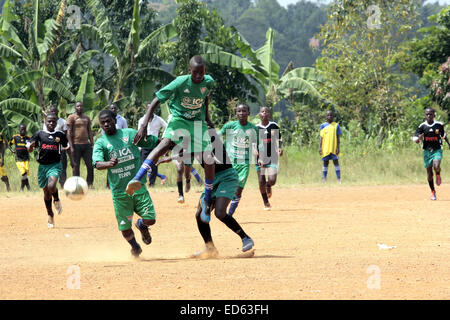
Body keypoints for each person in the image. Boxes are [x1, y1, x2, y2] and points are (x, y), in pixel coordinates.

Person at [128, 55, 216, 223]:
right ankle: (137, 179)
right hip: (179, 119)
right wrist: (144, 124)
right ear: (189, 71)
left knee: (209, 159)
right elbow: (156, 100)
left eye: (201, 73)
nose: (198, 76)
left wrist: (208, 118)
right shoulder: (180, 83)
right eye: (195, 73)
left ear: (205, 71)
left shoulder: (208, 82)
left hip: (197, 122)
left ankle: (207, 199)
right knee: (165, 145)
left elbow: (205, 99)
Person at [157, 131, 254, 257]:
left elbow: (194, 151)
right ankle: (210, 248)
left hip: (227, 176)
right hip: (212, 179)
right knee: (199, 215)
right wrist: (187, 181)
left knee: (220, 212)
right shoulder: (187, 145)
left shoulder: (205, 134)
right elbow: (187, 164)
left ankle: (245, 238)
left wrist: (170, 157)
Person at [93, 109, 159, 258]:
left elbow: (152, 141)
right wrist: (108, 163)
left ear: (115, 120)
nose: (106, 124)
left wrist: (168, 142)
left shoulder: (129, 134)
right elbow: (96, 163)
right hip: (119, 192)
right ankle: (135, 247)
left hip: (138, 186)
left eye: (108, 121)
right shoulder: (101, 142)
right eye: (102, 123)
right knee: (124, 228)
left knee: (151, 219)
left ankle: (142, 225)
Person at [218, 103, 259, 216]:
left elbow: (256, 143)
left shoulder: (253, 128)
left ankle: (230, 214)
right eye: (239, 111)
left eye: (244, 111)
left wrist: (256, 153)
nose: (241, 113)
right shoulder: (230, 126)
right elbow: (218, 135)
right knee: (224, 186)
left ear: (248, 113)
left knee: (238, 190)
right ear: (236, 113)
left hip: (244, 163)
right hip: (229, 162)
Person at [27, 113, 67, 228]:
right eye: (49, 121)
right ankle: (50, 213)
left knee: (52, 185)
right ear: (45, 122)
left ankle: (57, 200)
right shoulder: (39, 134)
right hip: (42, 167)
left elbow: (67, 145)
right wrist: (30, 147)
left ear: (56, 123)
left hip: (55, 165)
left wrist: (62, 147)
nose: (51, 123)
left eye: (53, 122)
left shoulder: (60, 134)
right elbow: (30, 148)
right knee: (46, 192)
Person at [413, 107, 450, 200]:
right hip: (426, 152)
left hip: (437, 150)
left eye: (431, 114)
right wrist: (419, 138)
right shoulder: (422, 126)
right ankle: (433, 192)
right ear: (425, 115)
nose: (429, 116)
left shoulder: (439, 125)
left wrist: (449, 144)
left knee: (436, 165)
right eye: (427, 114)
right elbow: (415, 139)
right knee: (429, 174)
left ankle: (438, 173)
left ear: (434, 115)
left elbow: (444, 135)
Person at [256, 106, 283, 210]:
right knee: (261, 180)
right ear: (259, 115)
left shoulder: (274, 126)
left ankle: (268, 185)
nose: (264, 113)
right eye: (262, 112)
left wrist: (280, 148)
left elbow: (280, 139)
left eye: (266, 112)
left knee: (272, 180)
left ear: (269, 115)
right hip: (260, 158)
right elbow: (253, 144)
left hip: (272, 156)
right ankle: (266, 202)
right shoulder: (256, 128)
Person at [67, 101, 95, 188]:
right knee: (76, 166)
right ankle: (77, 185)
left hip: (86, 145)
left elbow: (89, 131)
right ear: (75, 108)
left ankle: (89, 184)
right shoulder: (71, 117)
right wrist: (71, 147)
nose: (80, 108)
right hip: (76, 144)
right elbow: (69, 132)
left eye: (81, 106)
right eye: (78, 106)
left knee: (90, 165)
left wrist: (92, 143)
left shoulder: (86, 117)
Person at [138, 112, 168, 186]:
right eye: (148, 109)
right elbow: (139, 132)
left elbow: (167, 127)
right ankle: (142, 183)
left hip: (154, 145)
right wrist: (139, 146)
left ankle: (152, 183)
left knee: (154, 165)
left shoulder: (158, 119)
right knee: (143, 164)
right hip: (144, 145)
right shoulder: (142, 120)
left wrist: (163, 138)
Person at [103, 103, 128, 189]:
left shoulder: (122, 119)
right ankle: (108, 185)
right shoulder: (106, 120)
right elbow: (103, 133)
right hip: (110, 144)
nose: (113, 110)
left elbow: (126, 132)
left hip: (120, 144)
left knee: (122, 165)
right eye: (111, 108)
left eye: (114, 108)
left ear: (117, 109)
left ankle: (122, 184)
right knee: (111, 164)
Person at [44, 105, 69, 188]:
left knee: (62, 167)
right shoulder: (46, 122)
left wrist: (65, 145)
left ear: (58, 112)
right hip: (50, 149)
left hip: (60, 149)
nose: (53, 113)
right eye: (52, 111)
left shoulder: (63, 122)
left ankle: (62, 185)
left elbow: (65, 135)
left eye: (55, 111)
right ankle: (50, 185)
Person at [319, 110, 342, 183]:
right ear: (325, 117)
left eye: (331, 115)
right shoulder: (323, 126)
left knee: (336, 162)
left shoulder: (336, 125)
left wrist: (338, 147)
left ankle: (338, 178)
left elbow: (338, 138)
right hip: (325, 148)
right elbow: (321, 137)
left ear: (333, 117)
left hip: (333, 148)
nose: (329, 117)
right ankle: (324, 178)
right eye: (328, 115)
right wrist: (320, 147)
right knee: (325, 163)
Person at [9, 124, 31, 191]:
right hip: (18, 159)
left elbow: (32, 146)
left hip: (26, 158)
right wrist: (12, 150)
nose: (23, 131)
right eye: (21, 129)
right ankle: (21, 189)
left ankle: (28, 188)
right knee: (23, 173)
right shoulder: (15, 137)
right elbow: (9, 144)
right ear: (19, 130)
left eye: (24, 129)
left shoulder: (28, 138)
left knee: (25, 174)